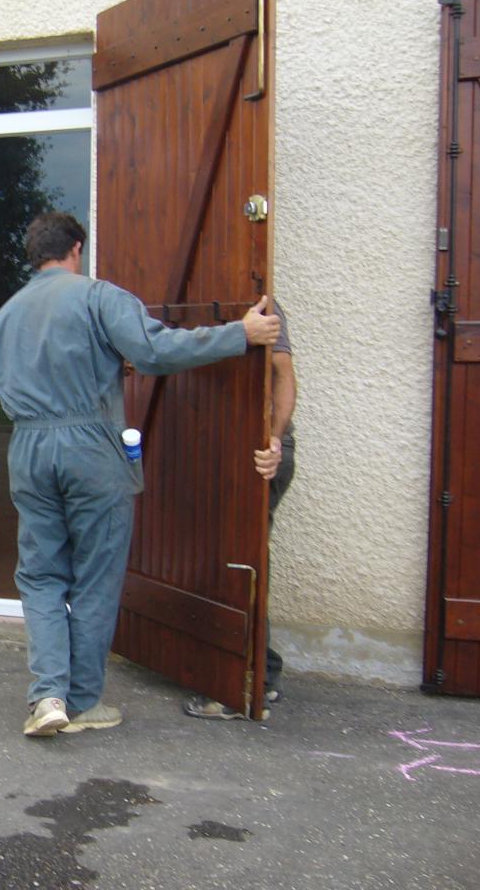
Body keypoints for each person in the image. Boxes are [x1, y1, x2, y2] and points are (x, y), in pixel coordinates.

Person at [0, 212, 280, 738]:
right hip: (89, 447)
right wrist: (241, 333)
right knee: (96, 576)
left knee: (41, 575)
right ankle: (81, 702)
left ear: (37, 256)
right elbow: (155, 351)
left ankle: (47, 695)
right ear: (77, 248)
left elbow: (8, 379)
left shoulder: (7, 312)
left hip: (27, 446)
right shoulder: (99, 296)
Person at [185, 298, 296, 719]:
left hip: (259, 455)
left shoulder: (263, 304)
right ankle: (262, 670)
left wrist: (275, 439)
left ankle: (242, 687)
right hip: (217, 452)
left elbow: (283, 375)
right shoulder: (198, 302)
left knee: (241, 562)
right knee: (228, 559)